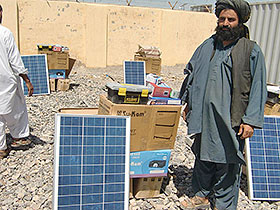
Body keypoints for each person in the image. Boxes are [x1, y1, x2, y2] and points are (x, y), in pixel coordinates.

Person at [179, 0, 267, 209]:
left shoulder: (251, 50)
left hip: (231, 117)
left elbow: (258, 87)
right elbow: (192, 75)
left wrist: (251, 120)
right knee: (202, 154)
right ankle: (202, 195)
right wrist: (189, 104)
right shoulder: (207, 46)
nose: (225, 23)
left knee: (228, 160)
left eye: (231, 19)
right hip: (204, 114)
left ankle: (224, 203)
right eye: (222, 19)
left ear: (240, 22)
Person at [0, 5, 34, 159]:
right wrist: (26, 80)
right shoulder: (5, 33)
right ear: (0, 13)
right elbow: (15, 60)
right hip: (6, 81)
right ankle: (18, 138)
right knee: (16, 110)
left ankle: (1, 148)